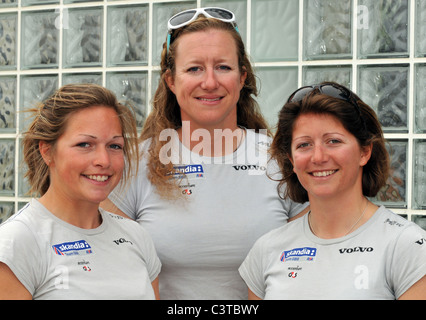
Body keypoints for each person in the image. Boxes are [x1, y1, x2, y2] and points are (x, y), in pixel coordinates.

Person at [101, 7, 308, 299]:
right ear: (171, 81)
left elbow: (307, 269)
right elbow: (109, 270)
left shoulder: (280, 160)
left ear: (241, 77)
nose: (210, 82)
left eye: (223, 67)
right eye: (194, 68)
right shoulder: (136, 163)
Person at [239, 81, 426, 299]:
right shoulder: (267, 249)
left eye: (333, 141)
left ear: (365, 152)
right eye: (304, 145)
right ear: (291, 160)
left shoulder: (407, 246)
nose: (318, 157)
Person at [0, 84, 161, 300]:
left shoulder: (135, 236)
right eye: (85, 144)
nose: (103, 161)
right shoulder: (17, 242)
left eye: (114, 146)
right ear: (47, 151)